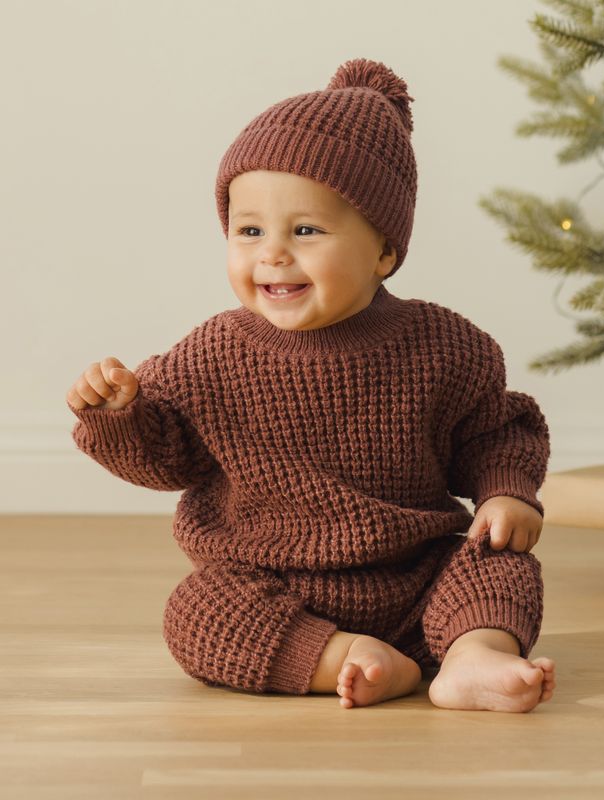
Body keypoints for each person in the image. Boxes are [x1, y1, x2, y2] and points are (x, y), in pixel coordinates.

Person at [66, 58, 556, 712]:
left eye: (305, 230)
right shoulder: (215, 352)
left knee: (502, 562)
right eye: (249, 231)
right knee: (196, 612)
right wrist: (121, 416)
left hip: (419, 577)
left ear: (384, 251)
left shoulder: (445, 347)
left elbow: (495, 431)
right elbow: (168, 456)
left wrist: (506, 493)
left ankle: (473, 655)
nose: (272, 252)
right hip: (274, 585)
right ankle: (345, 659)